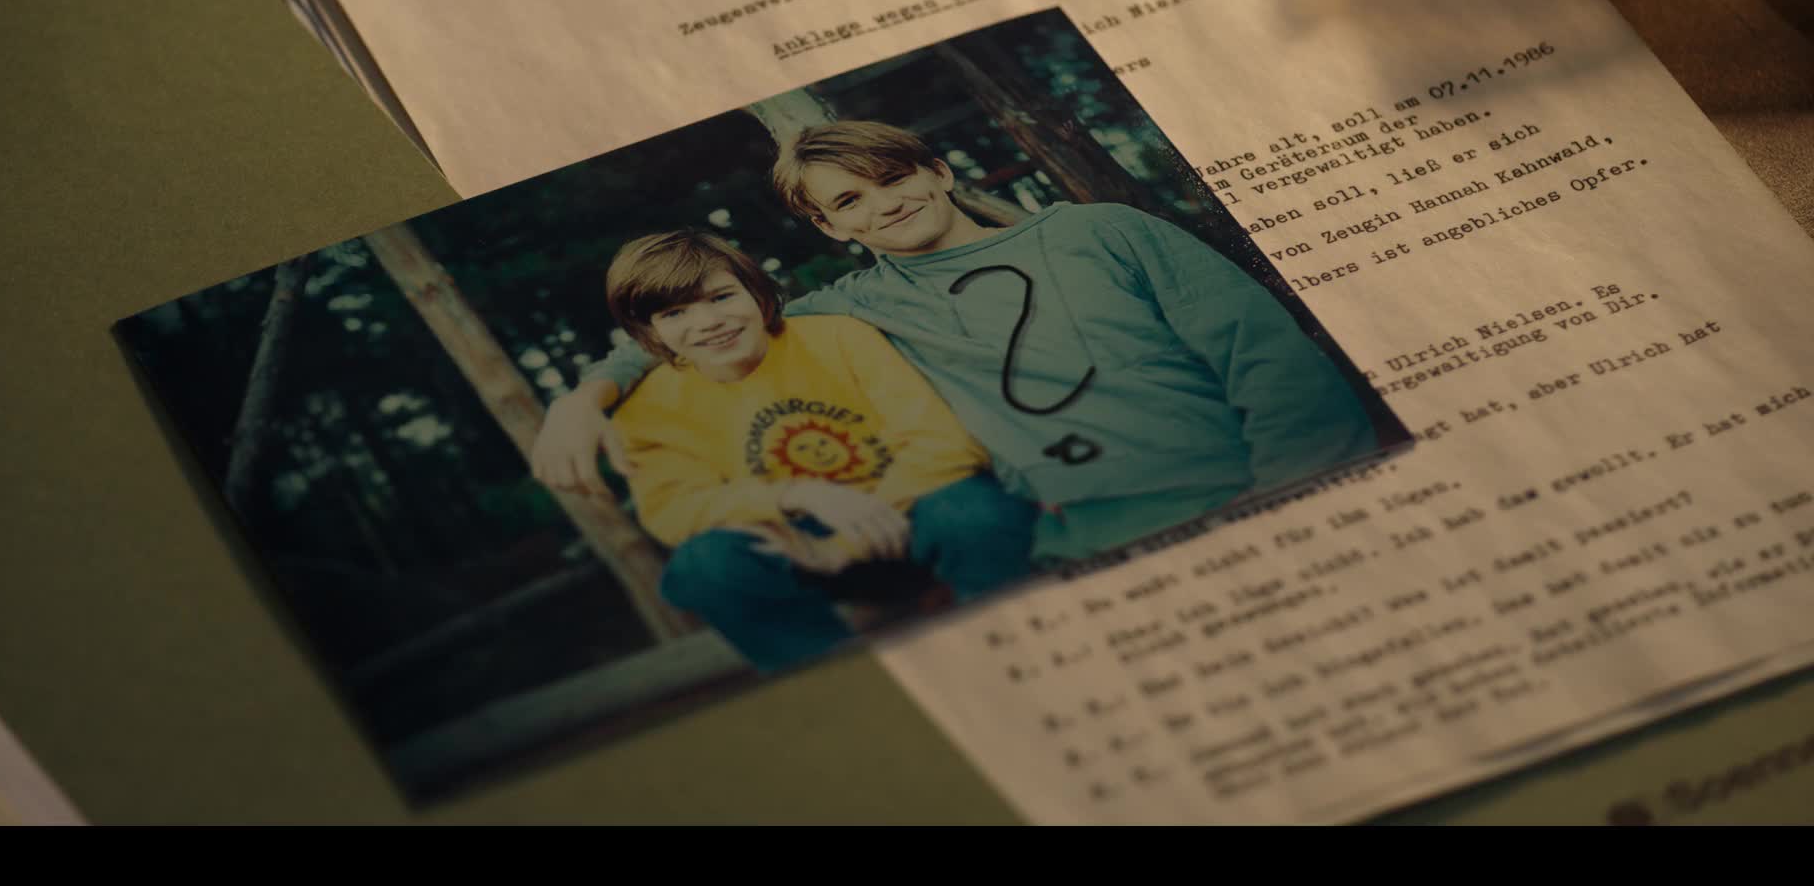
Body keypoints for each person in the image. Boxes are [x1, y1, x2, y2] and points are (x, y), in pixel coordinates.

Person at [545, 120, 1382, 566]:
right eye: (849, 202)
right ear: (829, 227)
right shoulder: (849, 311)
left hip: (1250, 495)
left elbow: (1267, 364)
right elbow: (707, 322)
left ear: (938, 172)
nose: (883, 206)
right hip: (1082, 547)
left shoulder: (1100, 233)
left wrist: (1299, 497)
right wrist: (585, 399)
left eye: (893, 179)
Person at [601, 228, 1039, 672]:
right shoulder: (647, 408)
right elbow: (673, 509)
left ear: (756, 293)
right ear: (648, 331)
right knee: (702, 566)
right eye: (675, 313)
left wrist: (847, 543)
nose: (707, 321)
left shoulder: (838, 337)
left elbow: (943, 443)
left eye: (720, 297)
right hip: (799, 552)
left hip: (908, 515)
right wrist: (795, 495)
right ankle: (838, 679)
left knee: (970, 509)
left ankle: (1020, 655)